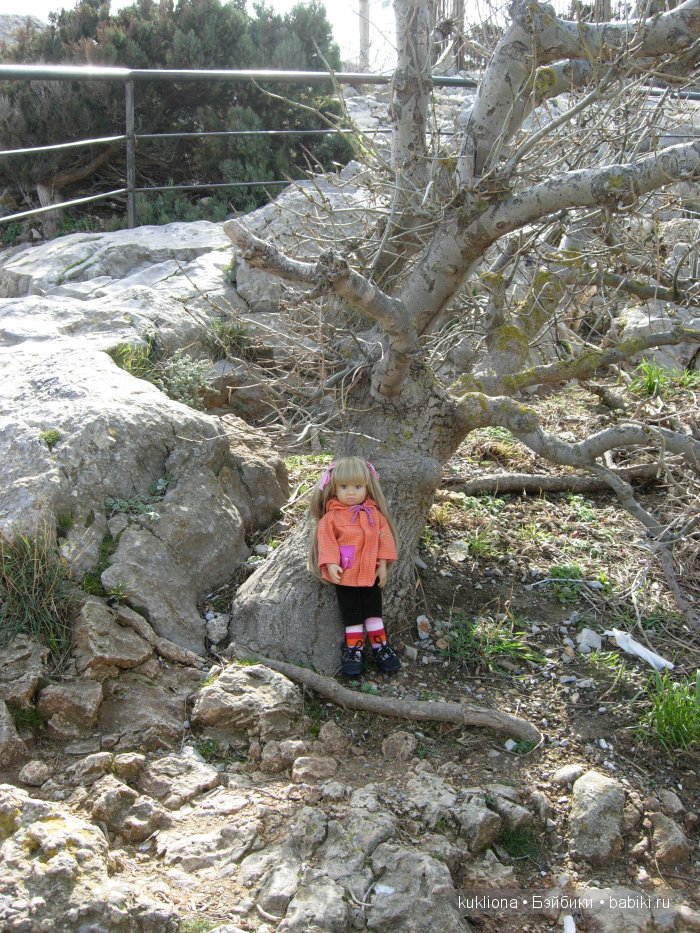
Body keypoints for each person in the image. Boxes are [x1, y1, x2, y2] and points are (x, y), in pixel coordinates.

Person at [308, 456, 402, 676]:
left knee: (373, 612)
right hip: (345, 575)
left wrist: (383, 564)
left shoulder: (374, 515)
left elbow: (384, 538)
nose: (351, 492)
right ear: (334, 488)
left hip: (370, 574)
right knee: (351, 615)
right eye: (344, 487)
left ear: (367, 487)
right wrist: (331, 563)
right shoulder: (330, 518)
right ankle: (354, 650)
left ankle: (381, 647)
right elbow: (327, 541)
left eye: (358, 487)